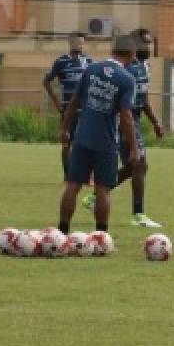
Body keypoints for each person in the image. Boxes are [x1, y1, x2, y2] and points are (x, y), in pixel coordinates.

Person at [57, 35, 138, 237]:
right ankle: (101, 236)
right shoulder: (126, 79)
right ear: (132, 55)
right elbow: (126, 116)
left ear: (112, 51)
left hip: (82, 137)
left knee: (73, 185)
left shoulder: (91, 69)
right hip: (106, 142)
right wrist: (134, 148)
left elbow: (75, 100)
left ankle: (62, 232)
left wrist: (65, 128)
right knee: (103, 190)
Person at [109, 28, 164, 228]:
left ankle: (99, 193)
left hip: (136, 121)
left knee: (137, 166)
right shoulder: (125, 69)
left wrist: (155, 121)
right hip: (124, 122)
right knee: (139, 164)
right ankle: (138, 215)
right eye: (144, 43)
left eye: (150, 43)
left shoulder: (144, 67)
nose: (148, 47)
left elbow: (144, 97)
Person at [43, 32, 92, 178]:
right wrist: (56, 101)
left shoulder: (89, 62)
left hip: (85, 109)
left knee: (87, 143)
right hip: (68, 109)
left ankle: (86, 176)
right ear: (70, 43)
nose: (80, 45)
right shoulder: (61, 62)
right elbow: (46, 81)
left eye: (82, 43)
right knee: (66, 142)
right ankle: (68, 175)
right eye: (77, 42)